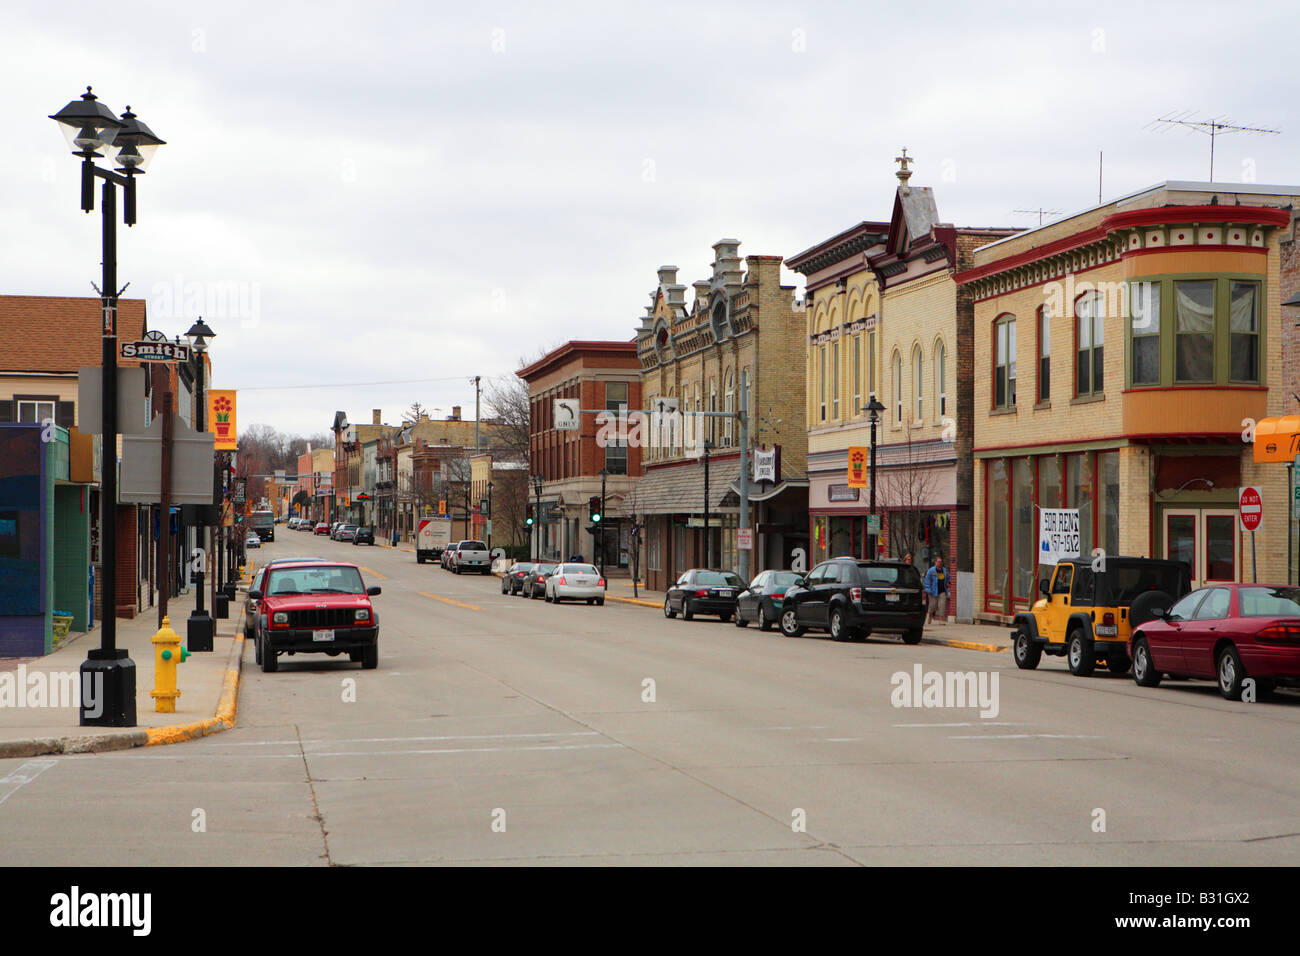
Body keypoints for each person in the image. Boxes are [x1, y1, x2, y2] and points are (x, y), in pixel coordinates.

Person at [924, 556, 949, 625]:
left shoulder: (944, 570)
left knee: (942, 605)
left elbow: (948, 578)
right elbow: (927, 581)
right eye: (938, 561)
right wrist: (928, 589)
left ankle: (940, 620)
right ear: (935, 562)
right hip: (933, 591)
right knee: (933, 605)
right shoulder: (931, 571)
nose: (940, 563)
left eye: (941, 561)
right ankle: (929, 615)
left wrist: (948, 583)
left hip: (942, 591)